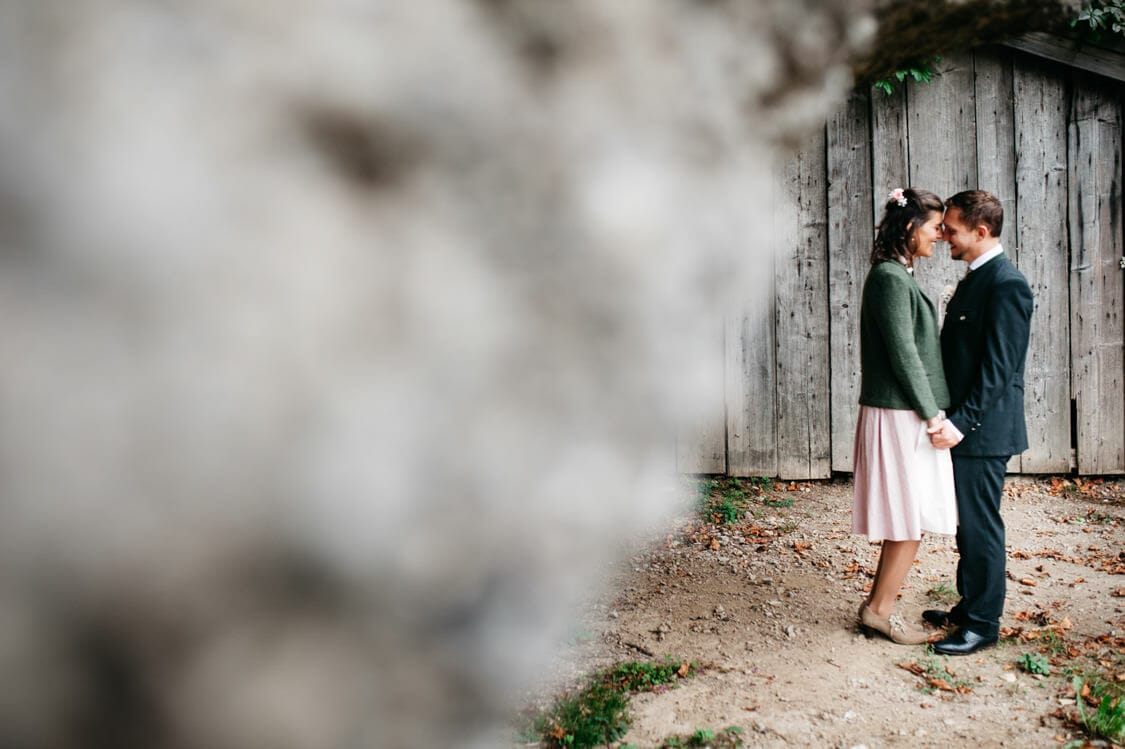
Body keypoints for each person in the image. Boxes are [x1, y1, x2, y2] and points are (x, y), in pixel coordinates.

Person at [925, 190, 1034, 656]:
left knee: (981, 525)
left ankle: (983, 625)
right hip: (967, 426)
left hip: (984, 431)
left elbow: (1000, 368)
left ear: (981, 231)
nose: (944, 234)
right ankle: (967, 609)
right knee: (968, 524)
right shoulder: (976, 278)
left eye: (951, 228)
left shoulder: (1007, 284)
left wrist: (962, 422)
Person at [853, 187, 958, 645]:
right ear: (912, 227)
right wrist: (932, 414)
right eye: (936, 227)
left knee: (909, 518)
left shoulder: (897, 275)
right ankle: (879, 610)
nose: (940, 236)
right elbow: (904, 355)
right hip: (900, 412)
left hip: (905, 411)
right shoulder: (890, 279)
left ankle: (878, 608)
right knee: (908, 518)